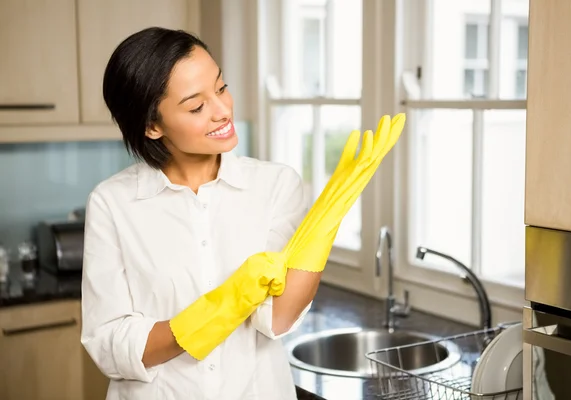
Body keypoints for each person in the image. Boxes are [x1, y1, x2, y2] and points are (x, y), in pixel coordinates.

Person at [81, 26, 404, 400]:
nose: (223, 111)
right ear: (153, 126)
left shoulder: (274, 186)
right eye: (197, 106)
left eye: (221, 88)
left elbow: (276, 319)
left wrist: (328, 218)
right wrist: (220, 307)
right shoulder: (113, 204)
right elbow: (109, 344)